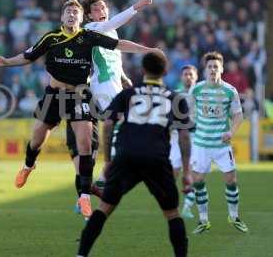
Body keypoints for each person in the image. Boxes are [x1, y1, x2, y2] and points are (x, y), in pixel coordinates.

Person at [0, 0, 161, 220]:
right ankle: (28, 166)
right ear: (62, 17)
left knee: (85, 144)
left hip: (79, 94)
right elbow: (28, 56)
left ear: (81, 19)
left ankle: (85, 197)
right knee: (37, 140)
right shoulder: (51, 37)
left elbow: (119, 45)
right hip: (54, 95)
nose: (71, 15)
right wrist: (5, 62)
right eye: (68, 12)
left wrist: (148, 50)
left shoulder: (88, 36)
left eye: (75, 13)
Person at [77, 52, 192, 257]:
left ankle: (81, 254)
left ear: (143, 70)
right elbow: (184, 136)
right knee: (172, 213)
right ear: (165, 71)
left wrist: (108, 161)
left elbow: (109, 123)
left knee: (104, 207)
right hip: (156, 157)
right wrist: (187, 171)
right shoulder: (175, 98)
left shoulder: (128, 93)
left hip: (126, 155)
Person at [64, 0, 153, 212]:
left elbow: (115, 57)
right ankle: (104, 176)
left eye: (103, 7)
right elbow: (115, 27)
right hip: (101, 88)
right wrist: (137, 6)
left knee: (98, 145)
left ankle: (86, 192)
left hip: (113, 88)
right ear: (89, 16)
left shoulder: (110, 31)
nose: (101, 12)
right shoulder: (92, 29)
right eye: (96, 9)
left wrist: (123, 77)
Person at [189, 51, 249, 234]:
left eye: (216, 66)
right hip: (201, 144)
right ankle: (203, 220)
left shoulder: (230, 91)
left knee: (231, 179)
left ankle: (234, 216)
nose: (213, 69)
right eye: (210, 67)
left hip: (222, 145)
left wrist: (231, 131)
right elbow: (189, 114)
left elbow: (238, 115)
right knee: (197, 180)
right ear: (205, 70)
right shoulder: (196, 90)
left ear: (221, 69)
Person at [169, 65, 198, 219]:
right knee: (173, 172)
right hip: (176, 137)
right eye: (185, 74)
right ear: (181, 77)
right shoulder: (176, 95)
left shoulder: (201, 95)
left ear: (196, 77)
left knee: (192, 172)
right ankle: (170, 204)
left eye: (190, 74)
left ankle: (187, 207)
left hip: (194, 138)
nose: (188, 77)